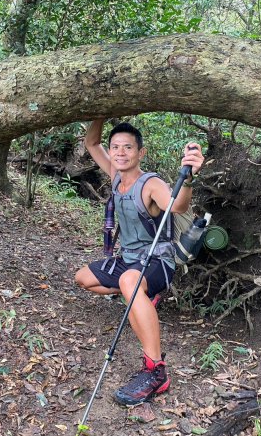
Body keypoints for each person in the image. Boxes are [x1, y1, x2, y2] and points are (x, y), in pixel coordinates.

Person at [75, 119, 204, 406]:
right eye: (115, 147)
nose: (120, 153)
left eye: (128, 148)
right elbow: (91, 143)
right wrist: (100, 112)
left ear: (140, 153)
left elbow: (177, 205)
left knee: (129, 282)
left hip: (158, 262)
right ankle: (141, 299)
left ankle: (156, 371)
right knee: (83, 278)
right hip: (129, 260)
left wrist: (190, 176)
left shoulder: (151, 183)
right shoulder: (116, 175)